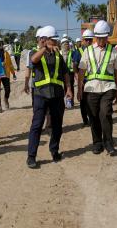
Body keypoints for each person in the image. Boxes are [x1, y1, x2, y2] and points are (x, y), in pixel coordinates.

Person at [27, 25, 73, 168]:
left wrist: (69, 88)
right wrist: (45, 49)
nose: (56, 42)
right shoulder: (35, 52)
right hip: (40, 95)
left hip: (57, 95)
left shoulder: (58, 55)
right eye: (53, 40)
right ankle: (31, 156)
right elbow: (34, 60)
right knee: (37, 125)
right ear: (45, 40)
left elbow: (65, 72)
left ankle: (54, 150)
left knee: (57, 125)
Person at [78, 20, 117, 156]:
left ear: (107, 36)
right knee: (93, 116)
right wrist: (79, 90)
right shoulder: (88, 51)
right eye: (99, 38)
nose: (102, 40)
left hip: (108, 88)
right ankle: (97, 143)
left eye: (104, 37)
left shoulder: (113, 51)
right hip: (91, 89)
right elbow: (81, 71)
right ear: (96, 37)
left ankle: (109, 143)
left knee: (105, 114)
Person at [72, 29, 94, 125]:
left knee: (92, 100)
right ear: (83, 40)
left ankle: (92, 118)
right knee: (83, 101)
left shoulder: (94, 50)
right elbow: (74, 67)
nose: (88, 42)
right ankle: (85, 120)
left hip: (93, 79)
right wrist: (79, 80)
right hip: (83, 79)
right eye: (87, 40)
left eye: (90, 40)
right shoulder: (78, 52)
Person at [0, 36, 16, 112]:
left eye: (1, 43)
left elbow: (10, 64)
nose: (0, 45)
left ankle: (6, 100)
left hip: (6, 74)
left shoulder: (6, 53)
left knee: (8, 90)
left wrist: (13, 73)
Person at [61, 37, 75, 102]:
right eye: (65, 44)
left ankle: (71, 100)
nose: (66, 45)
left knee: (71, 86)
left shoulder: (71, 53)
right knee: (64, 86)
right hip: (63, 73)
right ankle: (66, 100)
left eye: (67, 44)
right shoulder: (60, 53)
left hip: (70, 72)